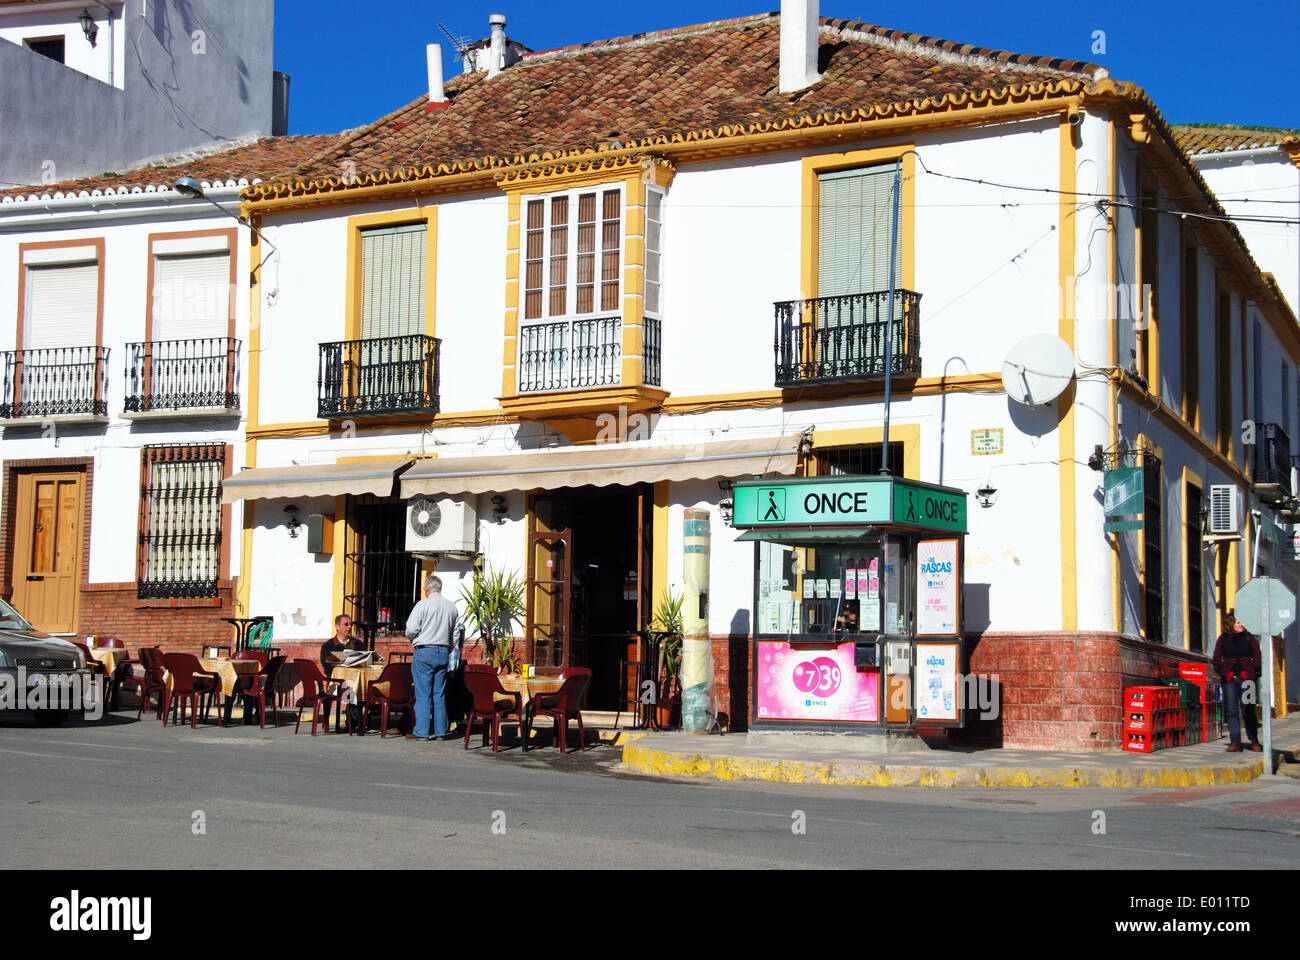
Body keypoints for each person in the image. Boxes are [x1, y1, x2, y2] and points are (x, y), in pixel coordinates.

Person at [405, 575, 459, 741]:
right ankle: (440, 731)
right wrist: (448, 647)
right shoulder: (451, 607)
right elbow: (455, 633)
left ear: (427, 589)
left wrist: (415, 640)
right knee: (439, 693)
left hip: (424, 650)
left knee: (423, 694)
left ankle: (422, 731)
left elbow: (411, 628)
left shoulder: (422, 605)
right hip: (442, 651)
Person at [1211, 610, 1262, 753]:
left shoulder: (1249, 638)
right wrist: (1225, 672)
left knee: (1249, 710)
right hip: (1230, 681)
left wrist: (1254, 671)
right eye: (1239, 622)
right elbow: (1216, 659)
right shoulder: (1223, 640)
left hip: (1248, 681)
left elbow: (1257, 656)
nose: (1242, 625)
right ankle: (1235, 742)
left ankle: (1254, 740)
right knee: (1232, 710)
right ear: (1231, 624)